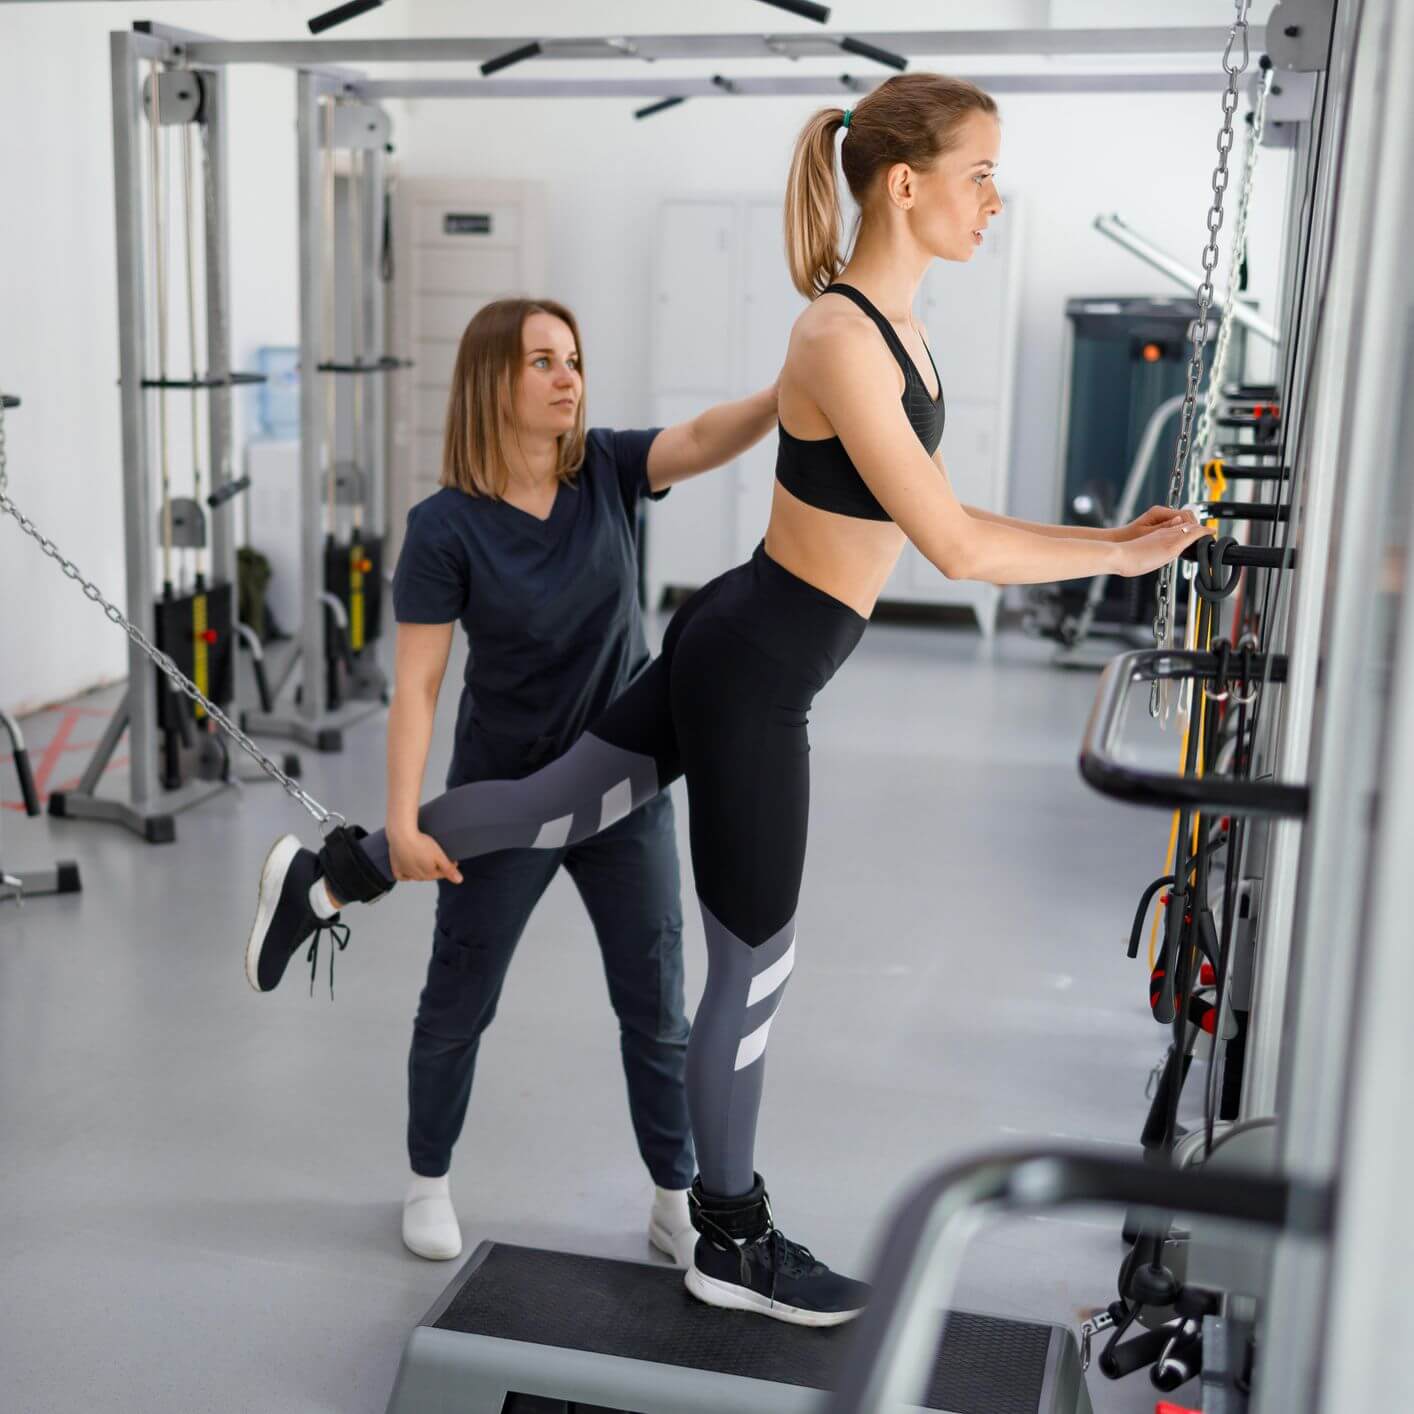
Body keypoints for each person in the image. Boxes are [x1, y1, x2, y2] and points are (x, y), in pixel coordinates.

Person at [245, 73, 1210, 1328]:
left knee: (548, 809)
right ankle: (731, 1236)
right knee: (751, 966)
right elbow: (954, 553)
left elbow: (950, 517)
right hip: (754, 671)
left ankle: (339, 871)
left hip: (740, 639)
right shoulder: (839, 335)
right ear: (903, 183)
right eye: (979, 173)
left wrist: (1113, 544)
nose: (995, 198)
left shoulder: (899, 332)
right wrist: (1117, 558)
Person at [252, 296, 778, 1268]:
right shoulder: (447, 526)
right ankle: (427, 1180)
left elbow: (703, 437)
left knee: (655, 1012)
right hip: (500, 798)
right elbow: (414, 686)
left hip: (622, 802)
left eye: (572, 357)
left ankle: (674, 1198)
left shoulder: (611, 470)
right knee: (458, 1003)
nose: (567, 376)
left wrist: (793, 391)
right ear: (492, 381)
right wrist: (403, 820)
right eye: (542, 361)